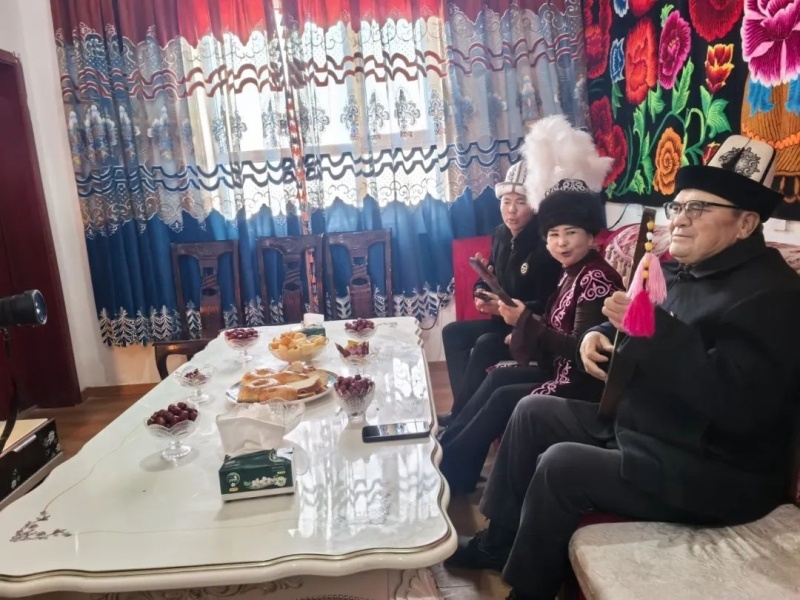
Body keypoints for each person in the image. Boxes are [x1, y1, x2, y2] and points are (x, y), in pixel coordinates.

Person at [446, 134, 800, 600]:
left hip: (715, 467)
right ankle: (497, 543)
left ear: (746, 223)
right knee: (531, 411)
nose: (680, 219)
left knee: (561, 465)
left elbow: (738, 408)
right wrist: (596, 335)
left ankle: (529, 593)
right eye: (678, 206)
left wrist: (653, 330)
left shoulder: (772, 296)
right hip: (649, 425)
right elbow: (630, 324)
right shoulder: (682, 269)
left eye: (699, 209)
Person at [439, 180, 623, 494]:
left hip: (580, 385)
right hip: (557, 367)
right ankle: (450, 459)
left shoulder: (596, 278)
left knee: (504, 395)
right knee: (498, 379)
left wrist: (524, 321)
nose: (561, 243)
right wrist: (521, 328)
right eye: (553, 234)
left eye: (571, 233)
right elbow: (553, 325)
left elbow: (580, 351)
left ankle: (451, 472)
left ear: (591, 236)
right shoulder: (570, 271)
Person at [441, 116, 613, 426]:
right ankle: (459, 415)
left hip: (528, 323)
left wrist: (515, 315)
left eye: (519, 202)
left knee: (485, 345)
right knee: (452, 332)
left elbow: (548, 306)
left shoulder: (548, 247)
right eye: (505, 201)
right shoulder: (501, 234)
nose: (511, 210)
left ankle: (461, 420)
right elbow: (494, 279)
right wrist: (483, 292)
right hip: (514, 319)